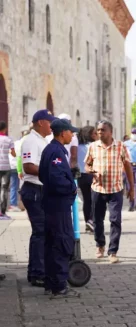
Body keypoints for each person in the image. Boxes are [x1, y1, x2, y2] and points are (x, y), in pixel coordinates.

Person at [39, 119, 79, 298]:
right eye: (71, 132)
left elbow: (42, 174)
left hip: (52, 204)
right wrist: (71, 187)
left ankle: (51, 283)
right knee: (61, 243)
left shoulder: (51, 149)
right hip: (58, 205)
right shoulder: (56, 151)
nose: (72, 135)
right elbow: (55, 180)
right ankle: (59, 286)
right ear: (63, 133)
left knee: (51, 243)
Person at [85, 121, 134, 264]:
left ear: (110, 132)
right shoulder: (93, 147)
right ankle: (100, 245)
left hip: (115, 189)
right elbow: (87, 165)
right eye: (98, 130)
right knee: (97, 220)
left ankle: (113, 251)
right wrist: (91, 171)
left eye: (103, 130)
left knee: (115, 220)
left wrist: (132, 188)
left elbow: (128, 167)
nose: (100, 133)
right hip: (98, 189)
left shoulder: (120, 146)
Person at [20, 110, 57, 287]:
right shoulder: (31, 141)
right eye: (50, 122)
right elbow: (28, 167)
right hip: (34, 190)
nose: (52, 126)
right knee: (40, 231)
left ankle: (38, 270)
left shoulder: (42, 140)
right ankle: (37, 273)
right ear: (41, 122)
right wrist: (50, 172)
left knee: (44, 232)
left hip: (41, 189)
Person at [77, 126, 98, 232]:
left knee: (87, 199)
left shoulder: (77, 146)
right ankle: (91, 220)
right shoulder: (92, 146)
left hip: (81, 176)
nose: (97, 135)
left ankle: (88, 222)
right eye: (94, 133)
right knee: (95, 199)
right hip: (91, 175)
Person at [0, 121, 15, 219]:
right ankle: (2, 212)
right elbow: (13, 153)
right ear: (5, 129)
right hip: (5, 167)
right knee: (4, 189)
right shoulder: (9, 139)